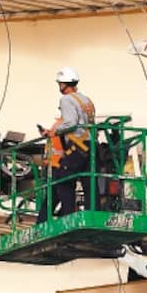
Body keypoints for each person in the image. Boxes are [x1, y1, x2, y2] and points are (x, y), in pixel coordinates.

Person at [37, 67, 96, 222]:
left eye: (60, 83)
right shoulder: (86, 99)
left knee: (62, 179)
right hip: (91, 146)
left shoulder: (67, 99)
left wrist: (53, 133)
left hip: (78, 146)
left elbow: (70, 123)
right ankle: (92, 215)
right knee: (89, 181)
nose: (59, 86)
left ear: (64, 84)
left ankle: (67, 218)